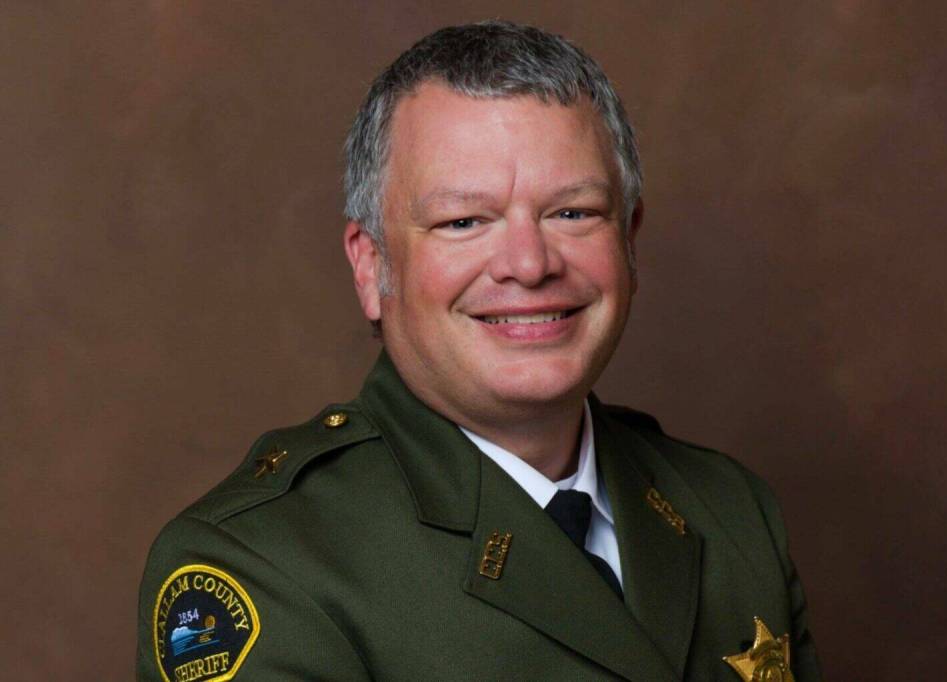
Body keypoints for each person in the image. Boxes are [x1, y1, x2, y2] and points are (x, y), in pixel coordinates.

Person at [137, 21, 822, 682]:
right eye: (463, 221)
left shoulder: (730, 511)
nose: (529, 264)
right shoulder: (261, 561)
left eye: (573, 212)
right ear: (371, 266)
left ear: (629, 241)